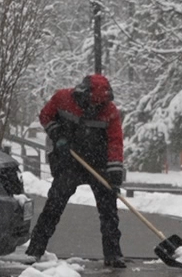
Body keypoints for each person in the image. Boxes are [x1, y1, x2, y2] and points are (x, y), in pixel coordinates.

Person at [24, 73, 126, 267]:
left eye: (100, 104)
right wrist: (56, 133)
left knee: (109, 211)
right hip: (69, 160)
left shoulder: (110, 111)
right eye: (93, 103)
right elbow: (45, 115)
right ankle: (35, 249)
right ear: (83, 94)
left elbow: (115, 142)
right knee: (54, 205)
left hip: (98, 164)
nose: (96, 107)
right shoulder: (62, 99)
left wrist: (114, 173)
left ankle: (113, 255)